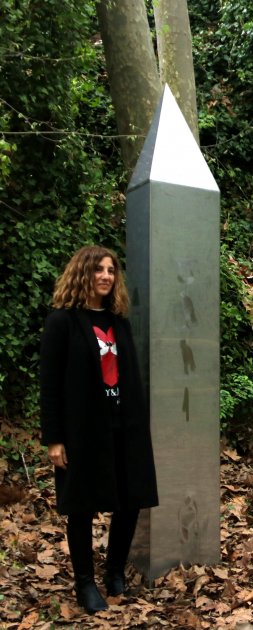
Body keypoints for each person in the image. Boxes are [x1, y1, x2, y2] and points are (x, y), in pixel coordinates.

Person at [39, 245, 158, 614]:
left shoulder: (118, 322)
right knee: (82, 506)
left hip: (125, 426)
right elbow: (49, 384)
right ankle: (85, 584)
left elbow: (130, 377)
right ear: (83, 273)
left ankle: (115, 572)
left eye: (110, 270)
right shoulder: (62, 322)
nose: (106, 276)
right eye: (98, 269)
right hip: (83, 431)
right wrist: (54, 438)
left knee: (131, 500)